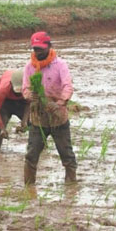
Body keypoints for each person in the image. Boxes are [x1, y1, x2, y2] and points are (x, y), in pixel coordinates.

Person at [21, 31, 77, 185]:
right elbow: (25, 88)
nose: (38, 52)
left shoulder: (60, 65)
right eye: (35, 49)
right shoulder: (29, 67)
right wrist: (28, 95)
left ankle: (71, 185)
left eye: (41, 49)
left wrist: (60, 102)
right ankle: (29, 187)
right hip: (38, 118)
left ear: (49, 46)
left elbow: (67, 86)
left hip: (58, 116)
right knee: (31, 155)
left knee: (66, 154)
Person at [0, 69, 28, 153]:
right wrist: (2, 128)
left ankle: (38, 150)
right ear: (11, 84)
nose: (18, 92)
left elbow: (29, 104)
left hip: (22, 102)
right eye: (17, 90)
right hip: (5, 102)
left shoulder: (28, 88)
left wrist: (24, 121)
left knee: (33, 124)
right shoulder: (3, 89)